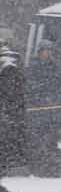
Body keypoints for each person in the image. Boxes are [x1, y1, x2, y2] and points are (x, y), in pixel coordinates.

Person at [26, 41, 61, 174]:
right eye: (45, 50)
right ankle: (38, 167)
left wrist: (56, 99)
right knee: (37, 140)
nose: (47, 53)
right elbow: (30, 86)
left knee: (51, 140)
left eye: (49, 50)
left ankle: (50, 167)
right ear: (40, 51)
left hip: (51, 111)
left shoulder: (55, 66)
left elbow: (60, 84)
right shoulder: (33, 66)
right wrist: (42, 94)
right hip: (37, 111)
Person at [0, 31, 28, 175]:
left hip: (8, 107)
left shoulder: (7, 63)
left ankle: (7, 164)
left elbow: (10, 88)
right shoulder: (15, 59)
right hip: (13, 107)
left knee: (6, 137)